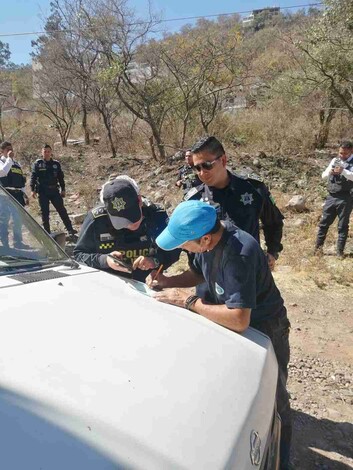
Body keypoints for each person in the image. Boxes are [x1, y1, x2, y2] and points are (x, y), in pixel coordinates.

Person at [147, 200, 291, 469]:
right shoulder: (209, 242)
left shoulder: (239, 254)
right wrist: (168, 282)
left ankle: (281, 458)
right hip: (231, 323)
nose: (180, 248)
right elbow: (198, 273)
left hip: (265, 328)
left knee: (274, 397)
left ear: (204, 239)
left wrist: (189, 302)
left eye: (183, 244)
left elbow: (239, 319)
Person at [184, 136, 284, 270]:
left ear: (223, 160)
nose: (202, 173)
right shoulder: (194, 199)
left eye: (207, 165)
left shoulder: (253, 189)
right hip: (211, 274)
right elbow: (186, 238)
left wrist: (272, 252)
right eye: (197, 168)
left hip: (247, 270)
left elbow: (273, 222)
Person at [73, 175, 180, 282]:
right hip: (109, 284)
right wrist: (105, 260)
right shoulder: (97, 219)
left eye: (131, 216)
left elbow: (175, 249)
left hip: (148, 284)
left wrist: (155, 260)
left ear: (139, 200)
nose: (129, 225)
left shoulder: (156, 215)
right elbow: (79, 255)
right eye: (121, 220)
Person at [315, 140, 353, 257]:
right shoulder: (334, 160)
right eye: (340, 153)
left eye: (345, 154)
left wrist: (343, 171)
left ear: (351, 151)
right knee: (323, 224)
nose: (342, 156)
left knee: (342, 226)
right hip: (331, 196)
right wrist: (331, 172)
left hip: (346, 198)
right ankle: (318, 249)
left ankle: (339, 252)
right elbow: (323, 176)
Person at [30, 144, 76, 236]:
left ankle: (70, 230)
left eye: (48, 151)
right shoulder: (38, 164)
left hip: (54, 190)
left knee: (62, 210)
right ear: (42, 152)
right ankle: (47, 233)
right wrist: (32, 189)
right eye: (45, 151)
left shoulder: (56, 164)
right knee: (45, 213)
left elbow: (60, 178)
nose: (47, 153)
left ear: (51, 152)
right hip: (43, 191)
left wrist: (63, 189)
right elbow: (33, 177)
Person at [0, 141, 29, 248]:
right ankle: (4, 244)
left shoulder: (16, 164)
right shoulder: (2, 162)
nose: (10, 151)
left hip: (18, 194)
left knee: (18, 219)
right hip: (5, 194)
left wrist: (25, 194)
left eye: (11, 149)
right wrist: (9, 159)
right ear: (2, 151)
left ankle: (18, 242)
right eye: (8, 149)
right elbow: (3, 172)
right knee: (4, 219)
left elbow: (21, 180)